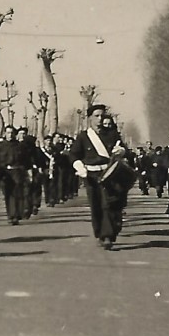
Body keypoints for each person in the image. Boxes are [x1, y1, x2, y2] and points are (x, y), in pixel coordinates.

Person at [69, 104, 130, 250]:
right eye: (96, 116)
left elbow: (124, 150)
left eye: (102, 115)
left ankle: (107, 235)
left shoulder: (112, 134)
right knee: (96, 206)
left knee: (108, 205)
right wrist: (78, 165)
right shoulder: (83, 136)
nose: (100, 119)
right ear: (89, 118)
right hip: (91, 176)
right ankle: (100, 233)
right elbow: (74, 154)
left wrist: (121, 151)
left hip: (109, 174)